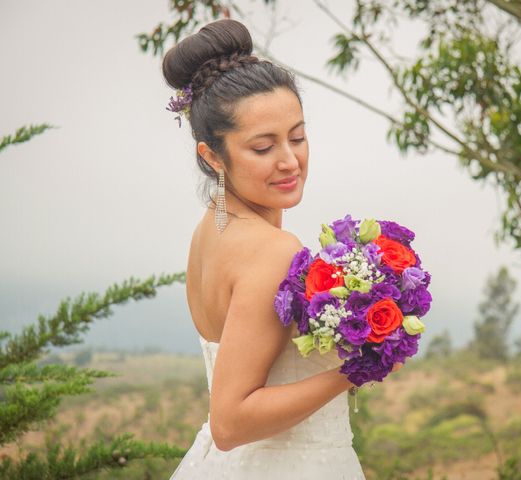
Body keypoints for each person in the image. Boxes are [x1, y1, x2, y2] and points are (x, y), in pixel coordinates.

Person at [164, 18, 402, 479]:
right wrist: (358, 368)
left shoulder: (210, 231)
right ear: (212, 156)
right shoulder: (272, 250)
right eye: (262, 147)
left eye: (297, 137)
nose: (290, 160)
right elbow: (230, 422)